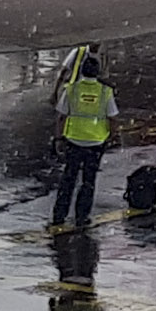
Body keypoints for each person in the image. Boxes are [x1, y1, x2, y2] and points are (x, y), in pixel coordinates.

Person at [51, 45, 117, 232]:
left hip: (73, 140)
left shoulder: (71, 90)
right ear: (97, 73)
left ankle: (59, 215)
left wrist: (59, 139)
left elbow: (61, 117)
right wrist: (111, 136)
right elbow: (113, 118)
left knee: (68, 180)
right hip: (96, 143)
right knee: (88, 181)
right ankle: (82, 217)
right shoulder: (105, 92)